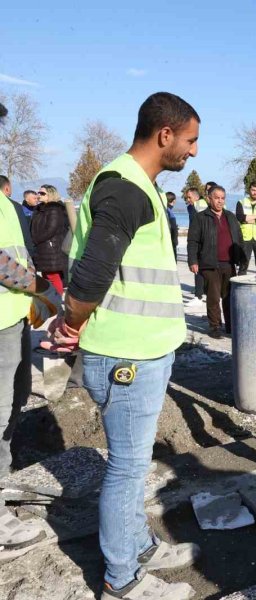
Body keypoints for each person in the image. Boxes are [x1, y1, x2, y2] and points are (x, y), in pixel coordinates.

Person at [43, 92, 200, 599]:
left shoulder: (137, 185)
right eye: (191, 141)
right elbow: (91, 272)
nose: (193, 153)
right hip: (128, 354)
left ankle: (136, 542)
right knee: (128, 467)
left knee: (131, 462)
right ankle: (120, 573)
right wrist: (70, 322)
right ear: (165, 135)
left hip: (142, 347)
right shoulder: (123, 186)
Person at [0, 99, 64, 558]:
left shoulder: (5, 204)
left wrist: (35, 298)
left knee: (13, 403)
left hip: (11, 318)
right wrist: (41, 287)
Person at [187, 186, 243, 339]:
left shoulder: (230, 216)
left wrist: (241, 258)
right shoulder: (201, 218)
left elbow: (238, 237)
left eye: (223, 198)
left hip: (229, 264)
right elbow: (192, 241)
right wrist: (193, 260)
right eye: (217, 197)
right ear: (209, 198)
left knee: (229, 296)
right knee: (213, 297)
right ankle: (215, 326)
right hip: (209, 263)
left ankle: (231, 326)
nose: (220, 201)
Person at [30, 184, 69, 294]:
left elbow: (51, 229)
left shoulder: (54, 209)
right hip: (43, 247)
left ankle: (57, 302)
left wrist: (35, 239)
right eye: (38, 193)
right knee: (46, 275)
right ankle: (52, 300)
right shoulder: (39, 209)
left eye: (42, 193)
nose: (39, 195)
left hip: (51, 248)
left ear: (50, 195)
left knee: (53, 276)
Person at [184, 187, 206, 302]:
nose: (188, 199)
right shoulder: (191, 207)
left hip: (201, 241)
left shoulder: (200, 205)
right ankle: (200, 293)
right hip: (197, 239)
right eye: (187, 197)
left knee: (198, 267)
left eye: (189, 197)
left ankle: (198, 296)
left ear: (196, 197)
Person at [235, 180, 256, 275]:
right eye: (253, 190)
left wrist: (247, 218)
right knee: (243, 264)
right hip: (245, 237)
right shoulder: (241, 202)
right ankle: (240, 287)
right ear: (249, 190)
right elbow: (239, 217)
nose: (255, 192)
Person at [165, 191, 178, 258]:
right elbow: (173, 227)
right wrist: (175, 241)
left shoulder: (163, 209)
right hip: (170, 241)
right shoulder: (169, 211)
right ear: (174, 201)